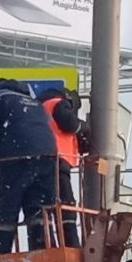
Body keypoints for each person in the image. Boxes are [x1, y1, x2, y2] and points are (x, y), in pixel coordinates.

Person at [0, 78, 58, 255]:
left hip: (17, 155)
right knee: (38, 207)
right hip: (48, 156)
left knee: (8, 205)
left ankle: (0, 253)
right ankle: (44, 249)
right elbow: (28, 128)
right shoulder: (35, 104)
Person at [38, 87, 84, 247]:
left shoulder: (39, 107)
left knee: (46, 206)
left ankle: (47, 245)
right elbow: (68, 123)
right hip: (58, 160)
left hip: (40, 161)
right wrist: (84, 128)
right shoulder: (58, 103)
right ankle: (71, 244)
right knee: (66, 205)